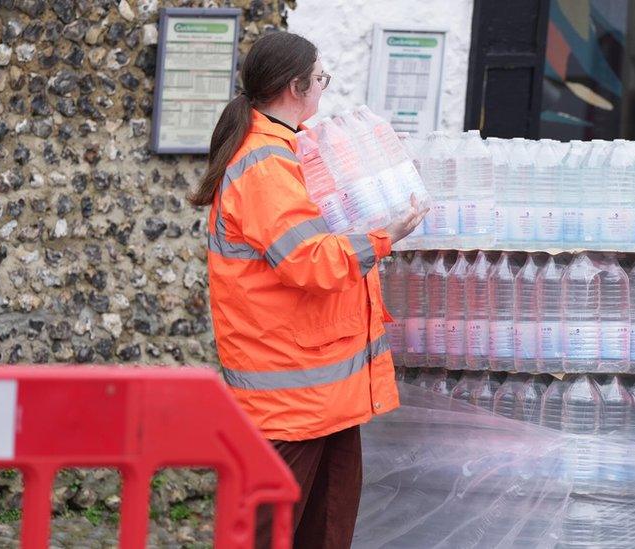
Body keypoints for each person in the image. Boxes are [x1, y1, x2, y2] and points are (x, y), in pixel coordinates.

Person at [187, 32, 426, 548]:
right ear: (295, 87)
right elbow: (311, 262)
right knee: (271, 537)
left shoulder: (285, 148)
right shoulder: (266, 164)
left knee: (321, 532)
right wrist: (387, 236)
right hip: (292, 400)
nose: (324, 89)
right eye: (321, 79)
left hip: (319, 395)